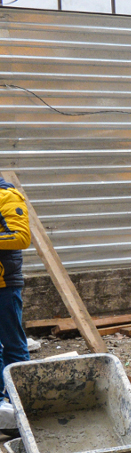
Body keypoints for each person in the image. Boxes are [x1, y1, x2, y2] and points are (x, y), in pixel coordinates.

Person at [0, 178, 31, 430]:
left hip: (4, 285)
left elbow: (21, 237)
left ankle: (23, 404)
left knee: (13, 345)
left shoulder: (7, 196)